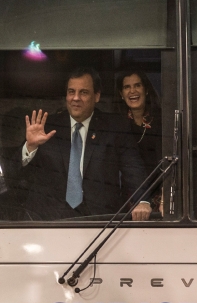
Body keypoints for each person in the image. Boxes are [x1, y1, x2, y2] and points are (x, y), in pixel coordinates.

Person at [22, 67, 150, 221]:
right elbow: (21, 176)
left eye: (83, 92)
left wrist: (142, 200)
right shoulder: (46, 128)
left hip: (101, 222)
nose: (76, 98)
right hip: (52, 221)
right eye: (71, 92)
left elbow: (133, 168)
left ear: (96, 96)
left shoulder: (116, 127)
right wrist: (30, 147)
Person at [116, 70, 163, 213]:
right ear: (121, 94)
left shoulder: (161, 122)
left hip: (160, 199)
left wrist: (167, 196)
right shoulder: (117, 124)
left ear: (146, 90)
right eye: (127, 87)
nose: (132, 91)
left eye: (137, 85)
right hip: (127, 199)